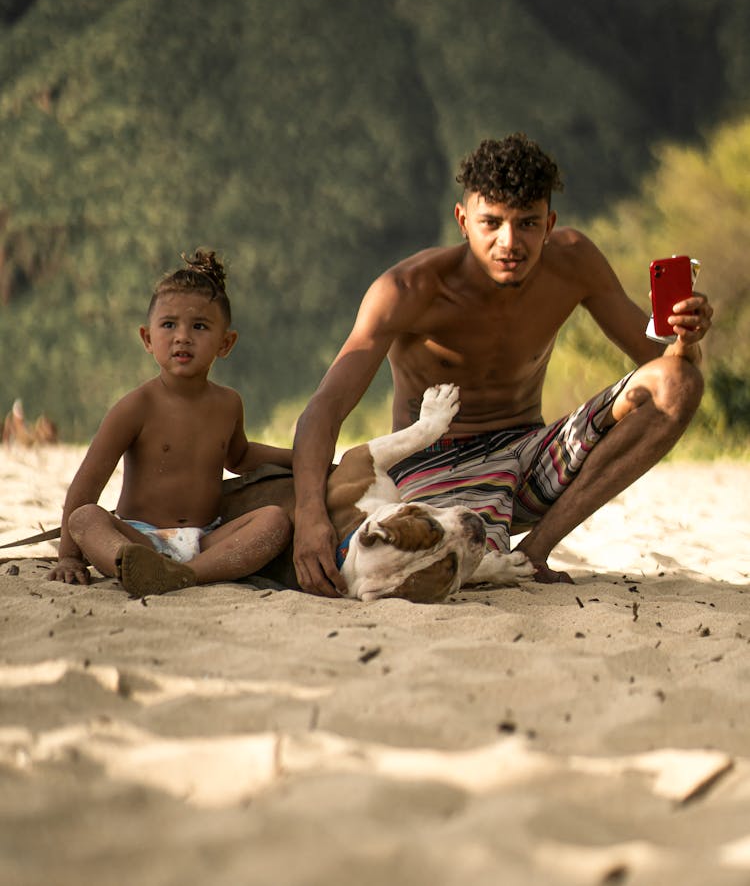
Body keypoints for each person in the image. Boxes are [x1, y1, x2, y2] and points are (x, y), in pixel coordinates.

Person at [292, 135, 713, 596]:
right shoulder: (409, 289)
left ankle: (536, 551)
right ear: (463, 220)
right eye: (491, 223)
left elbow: (667, 368)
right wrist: (310, 516)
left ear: (549, 223)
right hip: (438, 466)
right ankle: (499, 552)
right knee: (466, 575)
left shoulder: (574, 264)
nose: (509, 242)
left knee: (679, 382)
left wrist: (686, 340)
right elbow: (326, 406)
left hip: (532, 455)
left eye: (527, 223)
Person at [48, 250, 293, 597]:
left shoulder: (228, 403)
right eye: (169, 325)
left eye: (199, 326)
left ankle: (186, 574)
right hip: (137, 539)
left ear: (226, 343)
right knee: (86, 517)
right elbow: (87, 483)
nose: (183, 336)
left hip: (205, 539)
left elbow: (239, 457)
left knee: (274, 522)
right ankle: (134, 565)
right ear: (148, 339)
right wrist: (69, 557)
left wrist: (296, 458)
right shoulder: (135, 406)